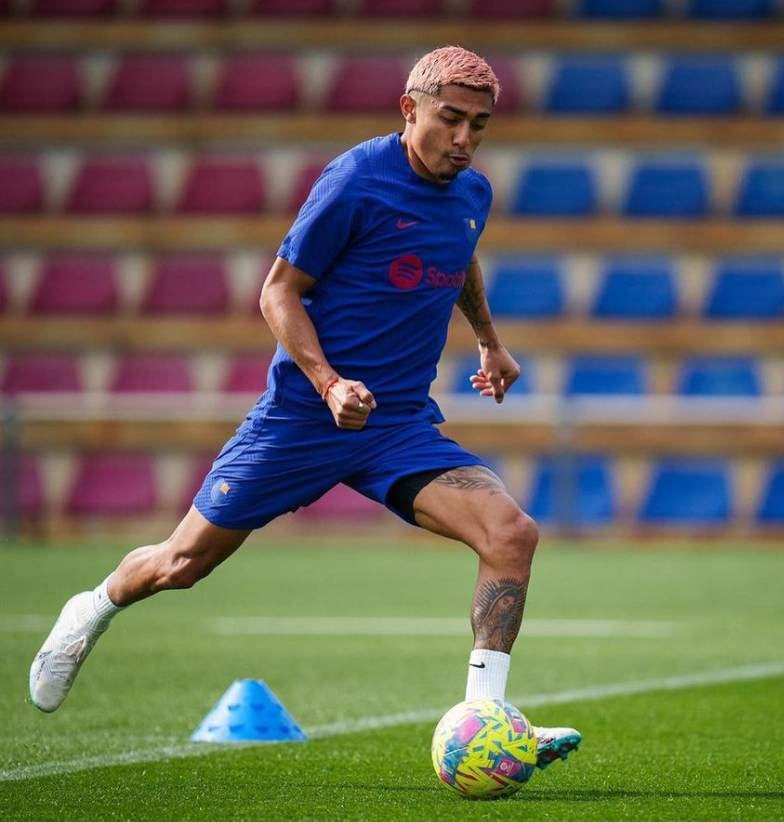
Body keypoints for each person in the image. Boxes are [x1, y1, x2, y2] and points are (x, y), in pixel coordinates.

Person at [28, 46, 580, 771]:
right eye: (451, 120)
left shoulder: (472, 193)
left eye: (479, 125)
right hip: (302, 420)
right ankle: (92, 607)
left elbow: (460, 254)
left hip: (398, 428)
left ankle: (486, 720)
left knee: (511, 533)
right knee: (182, 563)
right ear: (409, 109)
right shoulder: (356, 180)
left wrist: (488, 340)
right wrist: (328, 384)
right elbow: (277, 292)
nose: (465, 139)